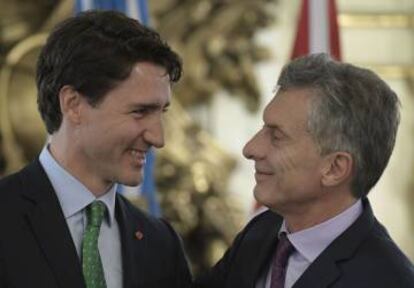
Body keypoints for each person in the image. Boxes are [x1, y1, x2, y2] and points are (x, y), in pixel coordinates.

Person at [0, 10, 191, 288]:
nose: (158, 137)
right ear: (73, 104)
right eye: (140, 111)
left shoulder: (160, 243)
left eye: (161, 112)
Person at [194, 53, 414, 288]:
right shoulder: (259, 232)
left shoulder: (388, 280)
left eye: (276, 136)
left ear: (334, 168)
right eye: (263, 129)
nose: (250, 148)